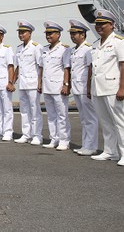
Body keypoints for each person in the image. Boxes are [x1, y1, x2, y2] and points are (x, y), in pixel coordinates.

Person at [90, 9, 124, 166]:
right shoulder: (96, 45)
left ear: (112, 25)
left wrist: (122, 88)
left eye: (103, 24)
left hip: (114, 89)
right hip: (99, 89)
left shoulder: (120, 42)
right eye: (97, 24)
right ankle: (110, 151)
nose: (99, 27)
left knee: (122, 122)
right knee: (107, 122)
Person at [40, 21, 72, 150]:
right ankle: (54, 138)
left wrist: (66, 84)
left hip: (58, 87)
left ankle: (64, 140)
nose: (48, 36)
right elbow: (42, 68)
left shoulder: (64, 49)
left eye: (51, 33)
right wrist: (40, 83)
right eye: (47, 33)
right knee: (51, 115)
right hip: (47, 87)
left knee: (62, 115)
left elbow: (66, 68)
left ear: (58, 34)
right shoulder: (44, 49)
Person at [68, 19, 98, 156]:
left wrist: (88, 88)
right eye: (72, 34)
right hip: (77, 88)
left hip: (84, 88)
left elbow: (90, 69)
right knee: (84, 118)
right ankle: (86, 144)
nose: (73, 36)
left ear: (83, 34)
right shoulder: (74, 50)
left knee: (90, 118)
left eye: (75, 33)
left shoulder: (88, 49)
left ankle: (91, 146)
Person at [14, 20, 44, 145]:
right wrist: (12, 81)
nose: (21, 35)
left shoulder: (37, 47)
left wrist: (40, 83)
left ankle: (37, 135)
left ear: (30, 33)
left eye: (23, 32)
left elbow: (41, 66)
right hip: (23, 83)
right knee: (24, 110)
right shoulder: (19, 48)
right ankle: (26, 134)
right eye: (20, 32)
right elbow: (18, 67)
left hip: (32, 83)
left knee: (34, 109)